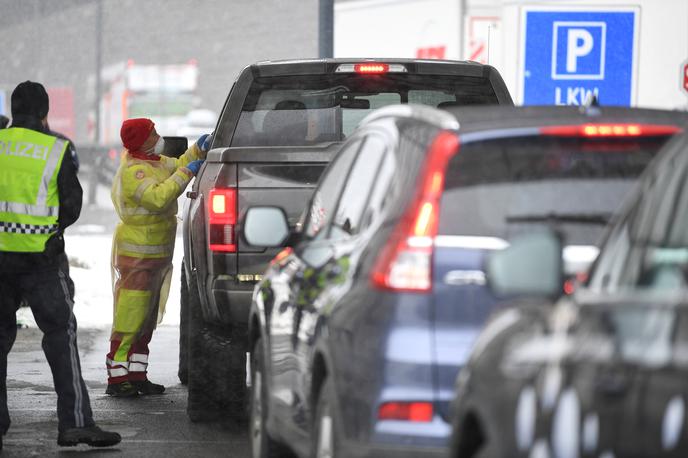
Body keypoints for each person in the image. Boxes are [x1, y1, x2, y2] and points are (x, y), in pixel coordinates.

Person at [0, 81, 121, 449]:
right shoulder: (57, 148)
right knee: (60, 336)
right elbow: (71, 205)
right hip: (41, 261)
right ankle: (75, 424)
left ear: (13, 108)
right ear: (44, 112)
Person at [106, 117, 209, 397]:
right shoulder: (134, 171)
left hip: (156, 256)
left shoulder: (154, 161)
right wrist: (188, 172)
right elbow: (159, 197)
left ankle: (137, 374)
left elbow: (177, 165)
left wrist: (198, 150)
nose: (159, 137)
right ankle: (117, 377)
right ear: (143, 140)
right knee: (130, 316)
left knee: (147, 318)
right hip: (136, 256)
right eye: (153, 134)